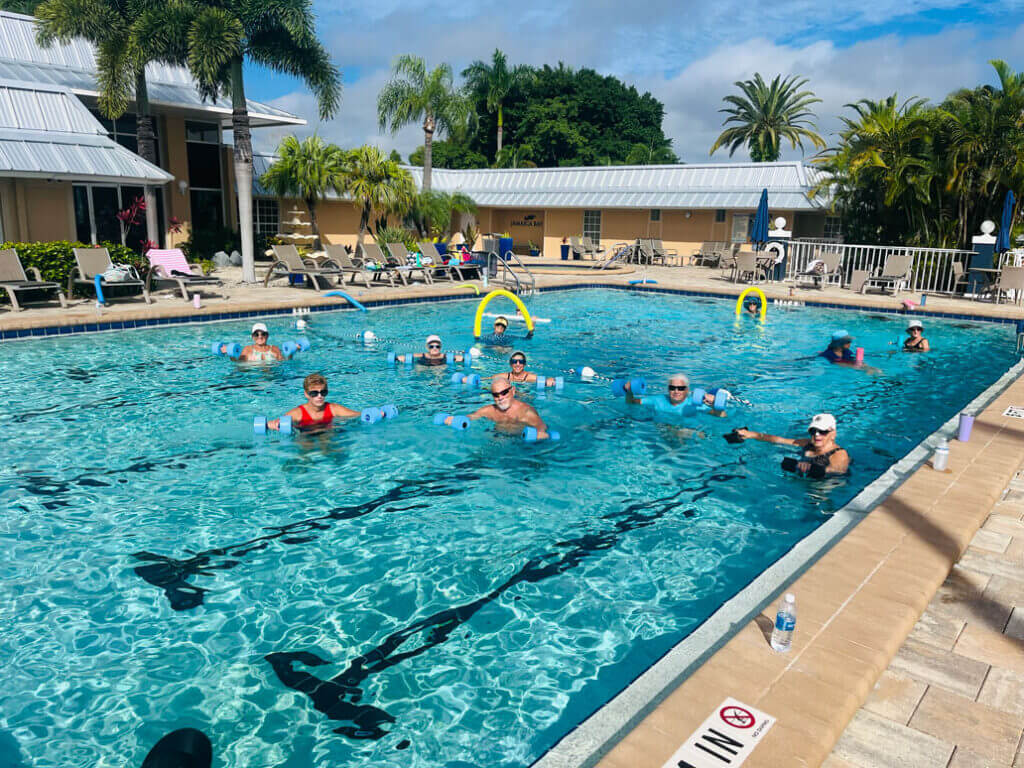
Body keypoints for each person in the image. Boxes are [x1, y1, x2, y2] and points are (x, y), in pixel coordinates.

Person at [732, 413, 850, 475]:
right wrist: (752, 434)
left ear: (833, 434)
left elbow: (838, 473)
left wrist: (813, 469)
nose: (817, 435)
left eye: (823, 431)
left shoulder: (839, 454)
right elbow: (779, 440)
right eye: (813, 431)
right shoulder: (807, 443)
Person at [444, 376, 552, 438]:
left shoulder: (525, 412)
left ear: (513, 391)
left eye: (504, 392)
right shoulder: (490, 410)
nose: (500, 397)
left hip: (521, 442)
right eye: (496, 394)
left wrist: (541, 435)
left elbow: (542, 428)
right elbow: (472, 416)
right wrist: (454, 419)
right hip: (498, 438)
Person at [267, 373, 359, 431]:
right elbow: (279, 422)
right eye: (314, 393)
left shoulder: (333, 409)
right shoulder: (298, 413)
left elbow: (358, 415)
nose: (319, 396)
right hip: (306, 436)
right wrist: (273, 424)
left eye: (323, 392)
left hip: (327, 436)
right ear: (306, 394)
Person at [624, 373, 726, 416]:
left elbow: (721, 416)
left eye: (680, 388)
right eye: (672, 388)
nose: (676, 391)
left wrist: (714, 405)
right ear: (668, 389)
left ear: (687, 390)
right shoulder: (657, 400)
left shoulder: (695, 404)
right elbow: (631, 402)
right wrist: (629, 391)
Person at [494, 351, 559, 386]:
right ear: (511, 364)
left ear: (524, 364)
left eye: (521, 362)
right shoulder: (505, 376)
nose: (518, 364)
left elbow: (551, 381)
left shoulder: (531, 377)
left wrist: (551, 381)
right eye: (514, 361)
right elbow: (486, 380)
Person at [396, 335, 465, 366]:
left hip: (439, 368)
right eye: (431, 346)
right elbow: (407, 356)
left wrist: (461, 358)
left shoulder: (445, 356)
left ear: (440, 347)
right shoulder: (422, 355)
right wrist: (400, 358)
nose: (435, 348)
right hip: (423, 369)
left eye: (437, 346)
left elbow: (459, 358)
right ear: (427, 347)